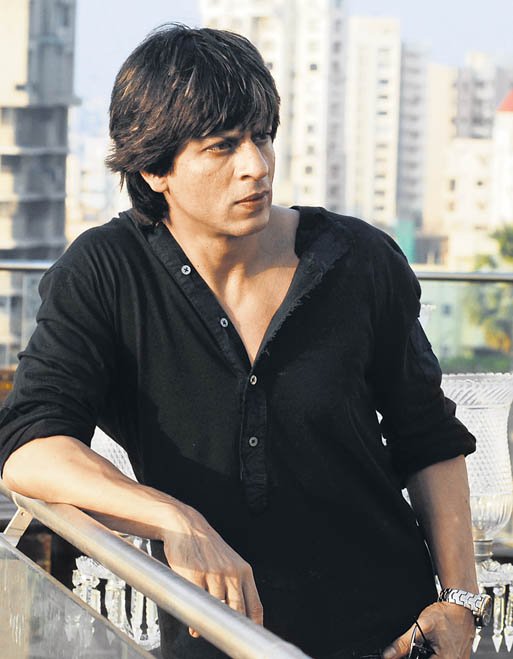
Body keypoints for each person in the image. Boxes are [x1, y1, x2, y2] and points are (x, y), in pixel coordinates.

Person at [0, 24, 482, 659]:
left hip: (392, 635)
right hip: (214, 636)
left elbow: (429, 438)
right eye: (222, 147)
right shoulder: (106, 272)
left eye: (262, 136)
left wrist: (460, 602)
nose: (256, 165)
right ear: (154, 168)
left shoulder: (359, 260)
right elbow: (32, 448)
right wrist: (175, 519)